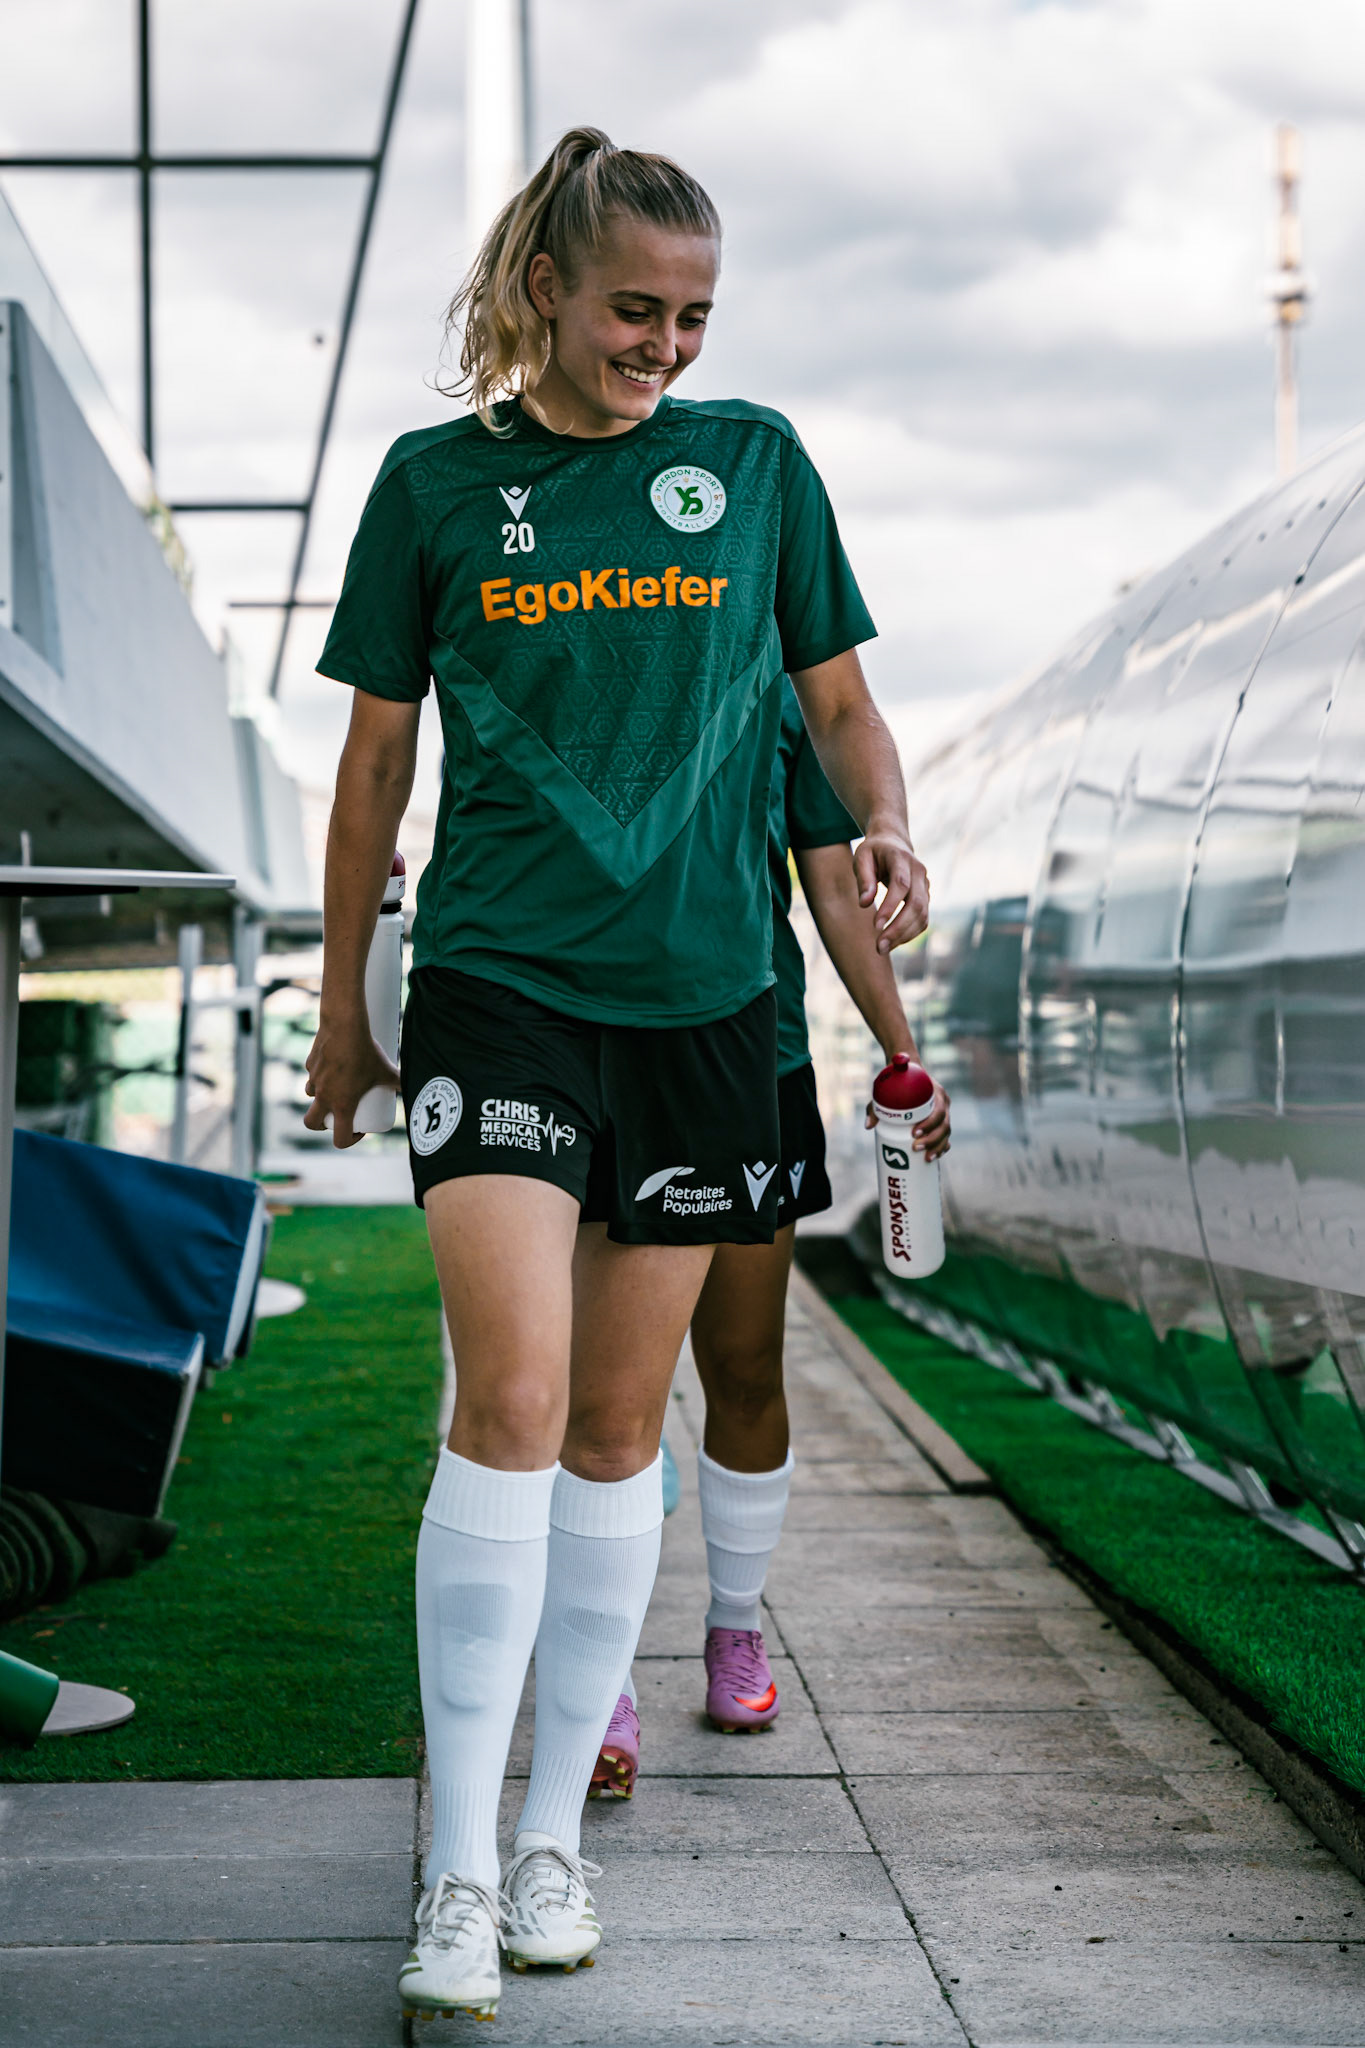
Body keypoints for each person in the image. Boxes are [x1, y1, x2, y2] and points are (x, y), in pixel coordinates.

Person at [303, 126, 929, 2025]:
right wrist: (346, 1004)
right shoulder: (432, 486)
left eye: (694, 316)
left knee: (611, 1434)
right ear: (548, 293)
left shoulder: (754, 469)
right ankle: (459, 1863)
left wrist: (888, 821)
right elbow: (371, 775)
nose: (664, 344)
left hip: (706, 1008)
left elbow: (834, 706)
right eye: (635, 309)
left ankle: (559, 1831)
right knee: (508, 1394)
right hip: (501, 987)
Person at [590, 681, 951, 1795]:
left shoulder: (778, 696)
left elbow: (837, 885)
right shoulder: (564, 646)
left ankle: (734, 1629)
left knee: (743, 1363)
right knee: (607, 1394)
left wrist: (901, 1051)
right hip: (591, 1059)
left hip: (753, 1059)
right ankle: (599, 1669)